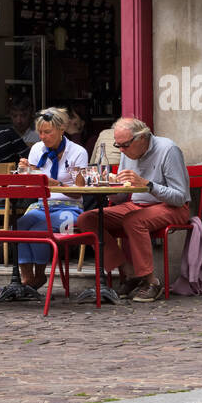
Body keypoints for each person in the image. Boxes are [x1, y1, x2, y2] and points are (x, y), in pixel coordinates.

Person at [75, 117, 190, 302]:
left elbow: (180, 197)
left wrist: (148, 185)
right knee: (86, 219)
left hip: (171, 207)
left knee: (134, 220)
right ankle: (130, 274)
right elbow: (121, 197)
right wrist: (111, 187)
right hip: (136, 205)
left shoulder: (168, 149)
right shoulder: (127, 153)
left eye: (125, 145)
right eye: (117, 145)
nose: (121, 150)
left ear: (142, 138)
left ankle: (151, 282)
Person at [0, 107, 88, 303]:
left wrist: (56, 184)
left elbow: (80, 191)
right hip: (42, 205)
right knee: (20, 226)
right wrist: (24, 173)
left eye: (47, 132)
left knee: (41, 228)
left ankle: (38, 276)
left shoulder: (78, 152)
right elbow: (30, 186)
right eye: (40, 132)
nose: (42, 137)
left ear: (62, 129)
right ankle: (27, 278)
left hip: (71, 209)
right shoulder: (37, 149)